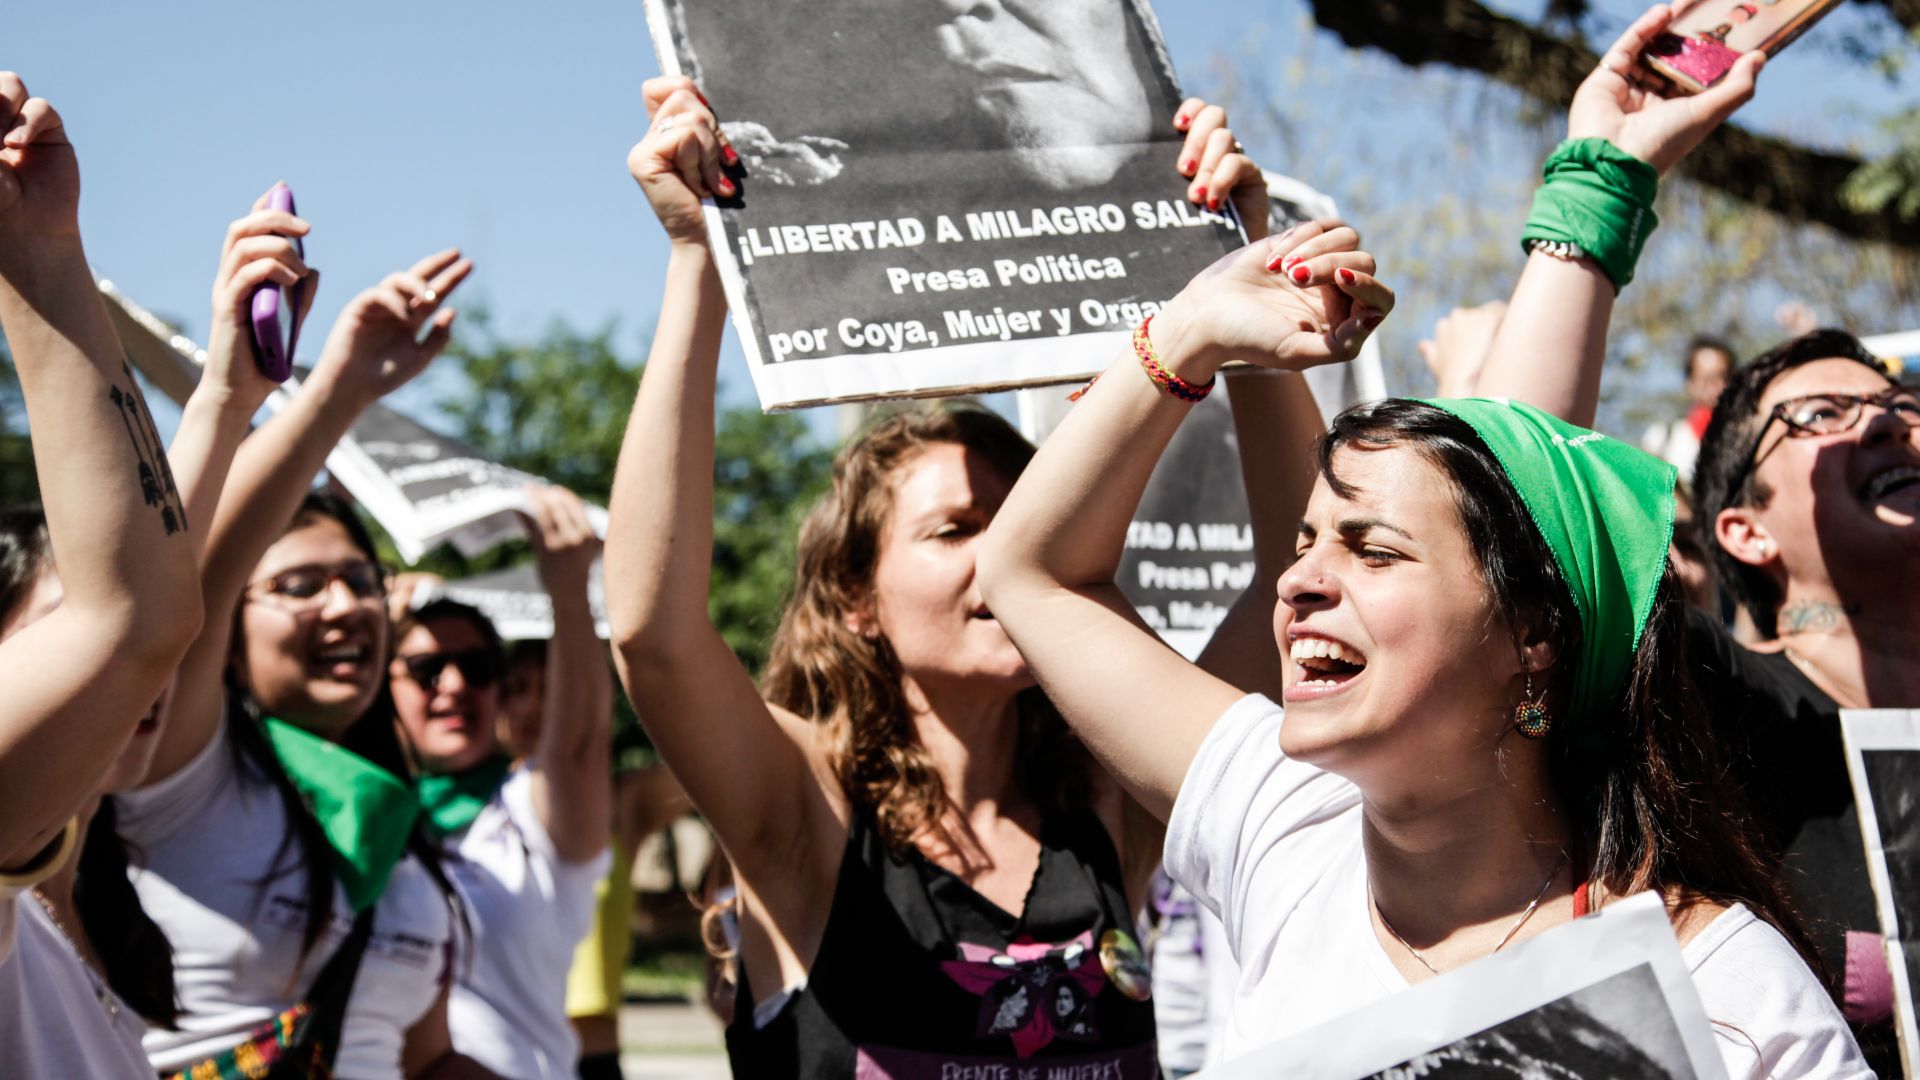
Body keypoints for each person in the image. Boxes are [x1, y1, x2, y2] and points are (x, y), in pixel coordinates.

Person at [975, 210, 1868, 1076]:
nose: (1296, 585)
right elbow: (1032, 572)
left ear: (1535, 637)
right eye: (1302, 546)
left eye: (1374, 550)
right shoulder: (1283, 825)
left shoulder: (1727, 995)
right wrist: (1193, 330)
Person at [605, 75, 1268, 1077]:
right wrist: (700, 256)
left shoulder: (1111, 799)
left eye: (1016, 524)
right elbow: (654, 634)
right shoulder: (803, 811)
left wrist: (1241, 279)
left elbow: (1284, 595)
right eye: (956, 528)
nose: (999, 559)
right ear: (856, 602)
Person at [1469, 6, 1917, 1070]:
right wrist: (1610, 174)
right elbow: (1503, 509)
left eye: (1901, 404)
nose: (1885, 420)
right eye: (1819, 418)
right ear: (1742, 531)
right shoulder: (1718, 718)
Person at [115, 193, 498, 1077]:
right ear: (226, 627)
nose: (344, 607)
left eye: (361, 582)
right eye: (299, 585)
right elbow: (197, 571)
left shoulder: (391, 822)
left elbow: (428, 1059)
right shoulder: (180, 770)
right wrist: (338, 388)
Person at [0, 71, 204, 1078]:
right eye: (51, 626)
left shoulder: (58, 932)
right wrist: (38, 264)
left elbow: (162, 586)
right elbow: (142, 615)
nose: (149, 690)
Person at [389, 483, 618, 1079]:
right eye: (426, 669)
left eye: (479, 668)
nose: (456, 685)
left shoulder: (526, 809)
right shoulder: (358, 812)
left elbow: (579, 749)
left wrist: (570, 593)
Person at [1641, 335, 1735, 475]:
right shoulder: (1660, 440)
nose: (1718, 387)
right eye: (1708, 379)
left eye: (1725, 377)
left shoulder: (1745, 440)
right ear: (1689, 383)